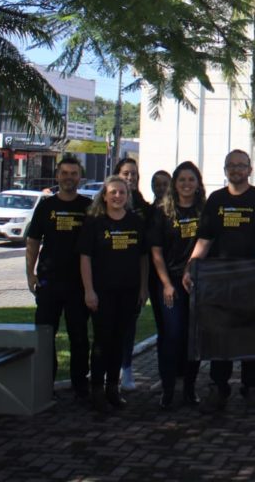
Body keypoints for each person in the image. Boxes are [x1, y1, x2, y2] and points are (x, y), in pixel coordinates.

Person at [183, 149, 255, 412]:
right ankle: (218, 387)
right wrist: (190, 267)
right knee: (221, 335)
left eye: (241, 165)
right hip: (222, 281)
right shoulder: (216, 200)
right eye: (231, 165)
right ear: (225, 170)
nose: (236, 169)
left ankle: (254, 388)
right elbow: (205, 239)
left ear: (249, 169)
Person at [25, 155, 93, 400]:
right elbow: (32, 242)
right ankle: (45, 383)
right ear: (57, 176)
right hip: (49, 281)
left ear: (80, 177)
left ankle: (80, 384)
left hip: (78, 283)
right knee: (45, 335)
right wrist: (30, 274)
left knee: (79, 336)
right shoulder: (46, 206)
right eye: (64, 173)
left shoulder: (88, 206)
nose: (69, 178)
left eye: (73, 174)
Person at [79, 175, 148, 411]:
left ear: (128, 197)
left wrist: (143, 288)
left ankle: (112, 388)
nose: (117, 196)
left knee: (119, 341)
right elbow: (85, 258)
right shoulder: (94, 222)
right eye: (113, 192)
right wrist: (89, 290)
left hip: (128, 292)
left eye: (122, 193)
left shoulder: (135, 222)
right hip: (102, 292)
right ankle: (96, 389)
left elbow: (143, 257)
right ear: (105, 196)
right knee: (102, 341)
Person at [149, 161, 205, 409]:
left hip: (197, 281)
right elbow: (156, 252)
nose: (186, 184)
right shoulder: (163, 211)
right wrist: (165, 284)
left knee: (193, 338)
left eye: (191, 180)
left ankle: (190, 389)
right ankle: (168, 388)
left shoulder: (204, 210)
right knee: (172, 335)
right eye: (182, 180)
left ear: (197, 183)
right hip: (170, 282)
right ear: (175, 183)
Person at [113, 156, 149, 391]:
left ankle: (125, 369)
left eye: (134, 174)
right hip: (107, 280)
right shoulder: (102, 208)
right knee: (107, 330)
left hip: (133, 280)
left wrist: (144, 285)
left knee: (128, 328)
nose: (131, 178)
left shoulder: (142, 209)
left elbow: (146, 251)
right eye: (126, 173)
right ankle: (107, 372)